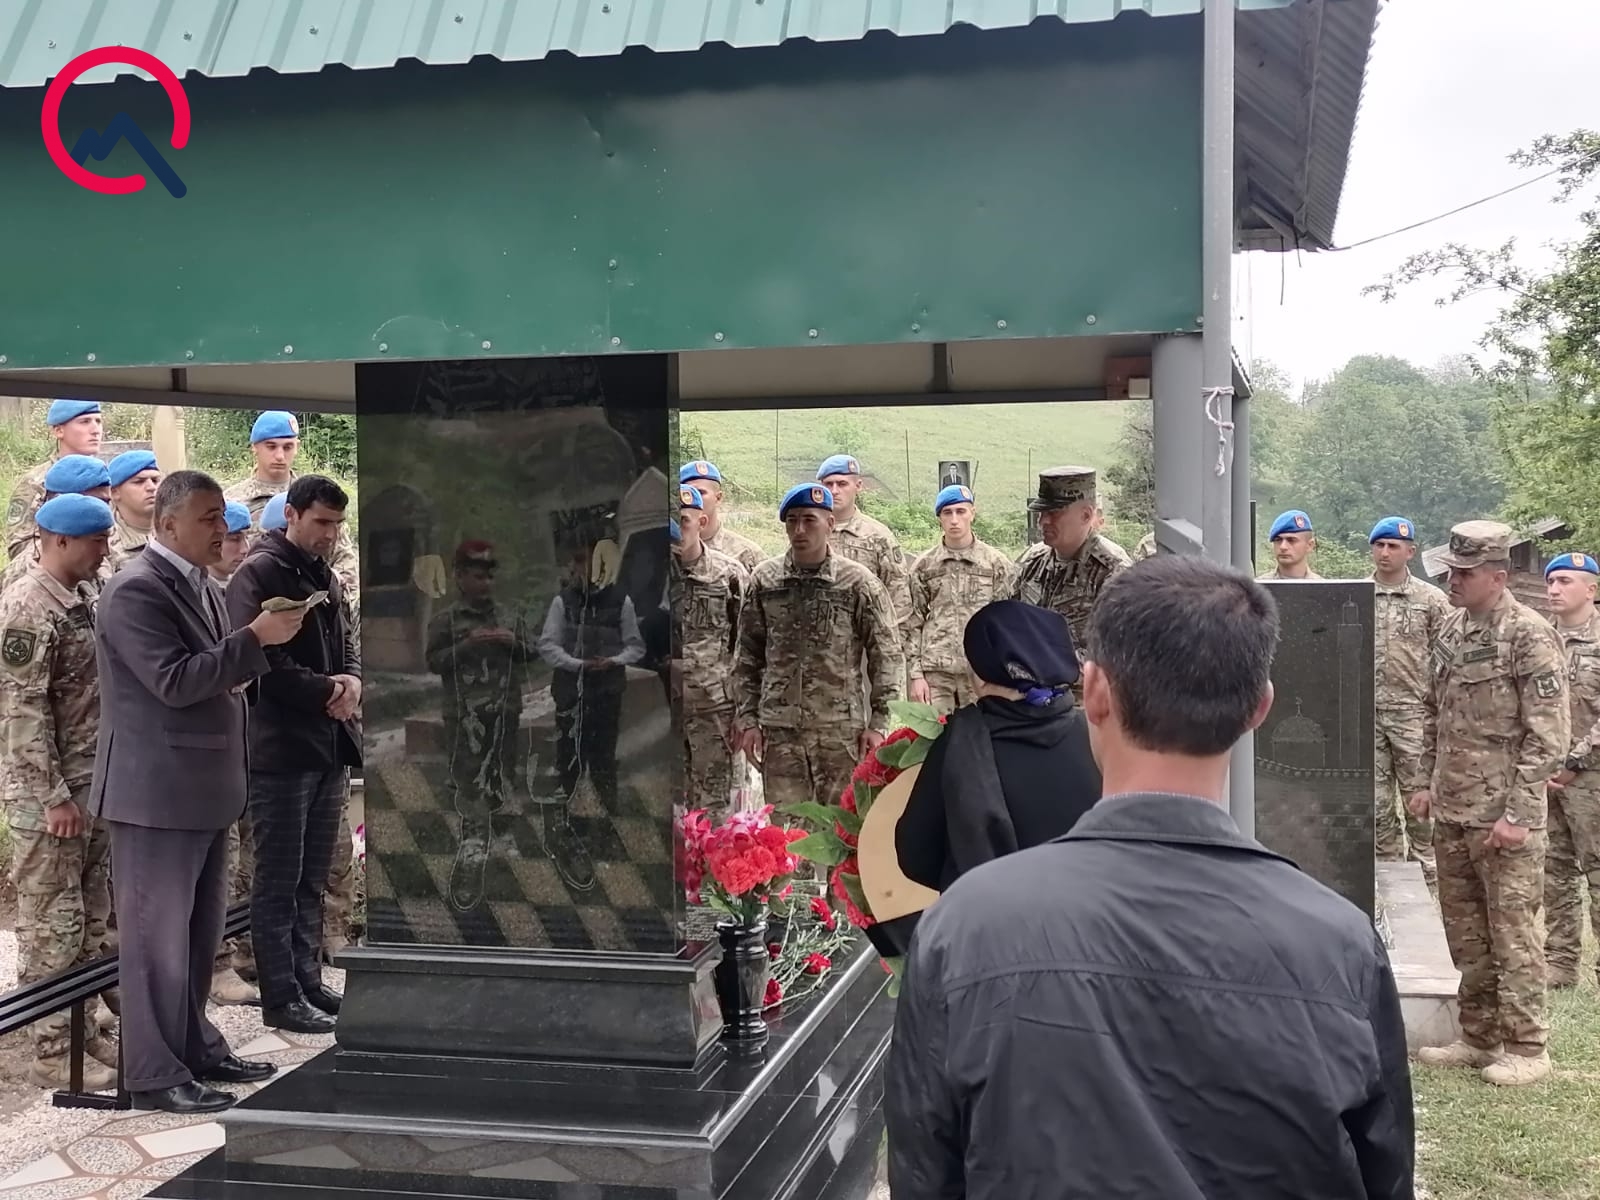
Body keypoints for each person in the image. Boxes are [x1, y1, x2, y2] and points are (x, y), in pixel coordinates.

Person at [887, 555, 1414, 1199]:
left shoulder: (964, 927)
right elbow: (1385, 1172)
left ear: (1094, 692)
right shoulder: (1340, 943)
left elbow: (925, 1167)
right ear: (1260, 707)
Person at [89, 470, 307, 1114]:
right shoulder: (136, 590)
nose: (222, 528)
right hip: (155, 796)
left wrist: (245, 656)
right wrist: (254, 640)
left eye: (222, 515)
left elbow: (216, 673)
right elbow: (175, 681)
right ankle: (155, 1074)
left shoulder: (202, 584)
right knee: (156, 943)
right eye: (209, 517)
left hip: (204, 789)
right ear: (167, 523)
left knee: (196, 936)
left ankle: (195, 1047)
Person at [1411, 520, 1569, 1086]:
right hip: (1454, 810)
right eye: (1451, 571)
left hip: (1502, 817)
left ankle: (1527, 1046)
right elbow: (1433, 709)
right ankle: (1479, 1036)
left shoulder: (1528, 635)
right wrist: (1426, 781)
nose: (1452, 581)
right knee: (1467, 932)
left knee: (1512, 933)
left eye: (1465, 573)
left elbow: (1549, 736)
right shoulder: (1454, 628)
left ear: (1498, 577)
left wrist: (1519, 814)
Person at [225, 475, 361, 1035]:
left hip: (326, 743)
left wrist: (351, 680)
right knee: (278, 878)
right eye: (321, 522)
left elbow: (346, 637)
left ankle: (308, 980)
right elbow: (260, 661)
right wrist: (328, 690)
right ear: (292, 514)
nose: (330, 534)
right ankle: (280, 993)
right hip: (280, 748)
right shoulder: (259, 573)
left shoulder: (323, 573)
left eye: (337, 524)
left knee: (313, 875)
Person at [0, 495, 121, 1090]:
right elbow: (19, 713)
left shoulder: (84, 595)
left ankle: (84, 1031)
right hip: (50, 799)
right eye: (97, 540)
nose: (105, 550)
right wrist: (52, 798)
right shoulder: (27, 606)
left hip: (92, 784)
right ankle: (51, 1049)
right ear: (60, 540)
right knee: (53, 926)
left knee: (91, 920)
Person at [894, 599, 1101, 919]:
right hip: (1090, 924)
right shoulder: (1097, 735)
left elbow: (915, 854)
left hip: (994, 931)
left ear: (979, 675)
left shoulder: (961, 746)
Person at [733, 484, 902, 811]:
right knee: (786, 829)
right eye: (792, 520)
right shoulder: (765, 580)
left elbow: (887, 656)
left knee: (842, 826)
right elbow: (747, 657)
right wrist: (749, 719)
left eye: (809, 520)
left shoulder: (858, 583)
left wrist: (879, 724)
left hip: (839, 732)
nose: (799, 530)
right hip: (780, 731)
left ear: (830, 524)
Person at [426, 540, 533, 909]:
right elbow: (434, 662)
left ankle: (503, 836)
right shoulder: (446, 620)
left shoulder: (508, 614)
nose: (484, 583)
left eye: (489, 576)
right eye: (476, 576)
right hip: (464, 712)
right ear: (459, 577)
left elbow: (533, 652)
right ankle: (472, 839)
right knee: (468, 776)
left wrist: (512, 641)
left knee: (502, 773)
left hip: (503, 708)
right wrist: (468, 644)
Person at [537, 532, 647, 889]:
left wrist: (612, 661)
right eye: (580, 560)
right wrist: (577, 664)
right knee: (569, 762)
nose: (582, 567)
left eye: (590, 559)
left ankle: (606, 829)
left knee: (603, 764)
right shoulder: (563, 602)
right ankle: (567, 832)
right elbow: (548, 645)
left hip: (607, 694)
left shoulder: (620, 600)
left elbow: (635, 646)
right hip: (571, 695)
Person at [1369, 516, 1449, 890]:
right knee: (1376, 804)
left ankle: (1427, 876)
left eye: (1393, 546)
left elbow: (1448, 658)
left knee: (1420, 803)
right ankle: (1386, 875)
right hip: (1367, 714)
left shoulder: (1431, 600)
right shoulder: (1356, 594)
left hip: (1415, 716)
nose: (1385, 553)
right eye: (1379, 545)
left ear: (1410, 552)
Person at [1007, 466, 1130, 698]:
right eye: (1042, 512)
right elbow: (1006, 622)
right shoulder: (1032, 561)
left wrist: (1041, 664)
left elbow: (1117, 654)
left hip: (1084, 705)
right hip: (1026, 700)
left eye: (1054, 512)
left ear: (1086, 515)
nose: (1043, 521)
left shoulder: (1113, 570)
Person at [1539, 551, 1600, 990]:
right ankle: (1559, 962)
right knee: (1553, 871)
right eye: (1550, 582)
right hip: (1546, 777)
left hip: (1591, 778)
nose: (1554, 590)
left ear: (1591, 589)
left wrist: (1575, 761)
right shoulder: (1541, 638)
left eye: (1565, 581)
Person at [208, 501, 260, 1006]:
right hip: (206, 757)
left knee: (244, 863)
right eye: (231, 538)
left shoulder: (235, 594)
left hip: (244, 749)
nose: (241, 548)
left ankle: (240, 952)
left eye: (245, 538)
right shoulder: (196, 595)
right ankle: (216, 964)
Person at [906, 484, 1016, 713]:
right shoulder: (924, 565)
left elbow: (1007, 623)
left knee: (980, 733)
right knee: (934, 734)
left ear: (972, 513)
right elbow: (913, 621)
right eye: (947, 513)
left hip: (980, 674)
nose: (954, 520)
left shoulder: (996, 564)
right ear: (939, 518)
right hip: (936, 673)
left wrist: (1002, 672)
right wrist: (916, 676)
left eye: (961, 511)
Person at [671, 485, 747, 814]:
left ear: (701, 522)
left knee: (717, 810)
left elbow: (749, 646)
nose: (676, 530)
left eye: (683, 521)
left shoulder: (729, 575)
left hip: (716, 711)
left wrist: (745, 713)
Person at [816, 454, 911, 625]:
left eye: (842, 484)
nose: (834, 491)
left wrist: (891, 638)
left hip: (866, 634)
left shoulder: (878, 536)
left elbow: (899, 598)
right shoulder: (809, 532)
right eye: (829, 484)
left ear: (858, 486)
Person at [6, 399, 104, 561]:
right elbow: (18, 546)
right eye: (85, 422)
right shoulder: (36, 482)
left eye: (98, 421)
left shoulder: (108, 478)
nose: (95, 430)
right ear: (59, 431)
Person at [1, 455, 115, 591]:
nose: (104, 511)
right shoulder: (31, 568)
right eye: (95, 503)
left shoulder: (97, 547)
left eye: (107, 503)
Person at [679, 459, 767, 572]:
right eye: (687, 494)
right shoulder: (670, 549)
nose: (694, 498)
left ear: (718, 498)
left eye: (700, 492)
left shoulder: (746, 554)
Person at [106, 449, 160, 572]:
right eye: (139, 482)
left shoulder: (180, 533)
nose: (152, 487)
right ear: (114, 492)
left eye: (155, 480)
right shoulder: (104, 543)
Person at [1261, 509, 1322, 580]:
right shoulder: (1258, 585)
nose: (1283, 547)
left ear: (1309, 545)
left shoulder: (1323, 586)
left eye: (1291, 540)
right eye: (1278, 540)